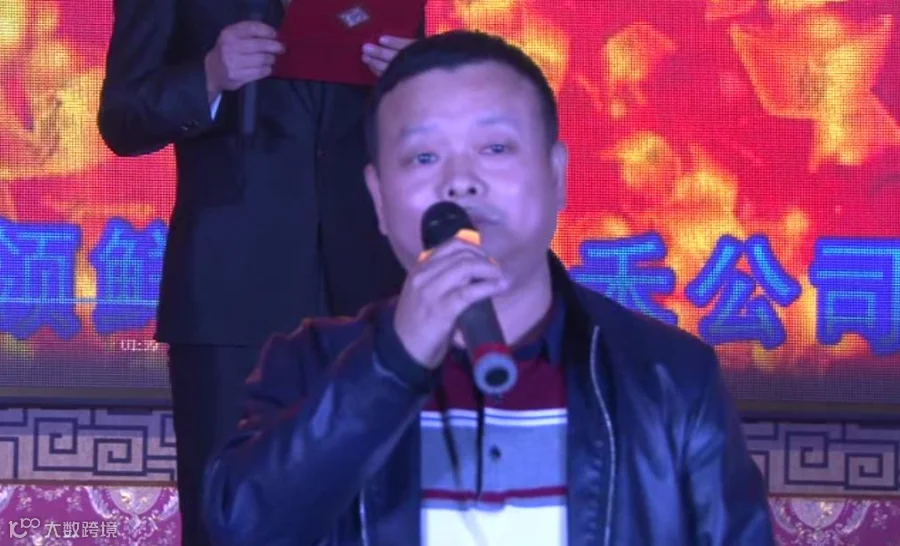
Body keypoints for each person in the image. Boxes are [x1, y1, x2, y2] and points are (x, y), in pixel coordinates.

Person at [201, 30, 775, 546]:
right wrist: (391, 366)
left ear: (557, 175)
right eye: (424, 156)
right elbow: (244, 529)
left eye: (495, 148)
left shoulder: (671, 378)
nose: (459, 183)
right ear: (378, 199)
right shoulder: (307, 365)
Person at [96, 2, 420, 545]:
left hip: (370, 289)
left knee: (369, 512)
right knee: (229, 513)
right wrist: (209, 75)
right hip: (231, 293)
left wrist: (418, 80)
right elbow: (122, 119)